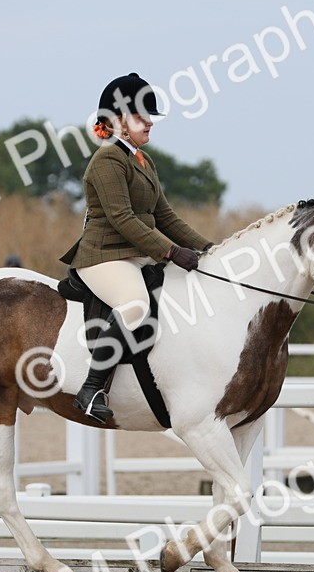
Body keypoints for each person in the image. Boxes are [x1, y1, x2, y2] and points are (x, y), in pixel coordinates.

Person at [59, 72, 214, 423]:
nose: (149, 123)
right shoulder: (107, 160)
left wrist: (212, 250)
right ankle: (91, 389)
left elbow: (166, 217)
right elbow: (122, 218)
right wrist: (172, 253)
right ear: (118, 121)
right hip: (102, 255)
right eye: (141, 117)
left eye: (150, 117)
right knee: (135, 304)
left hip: (133, 255)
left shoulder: (143, 161)